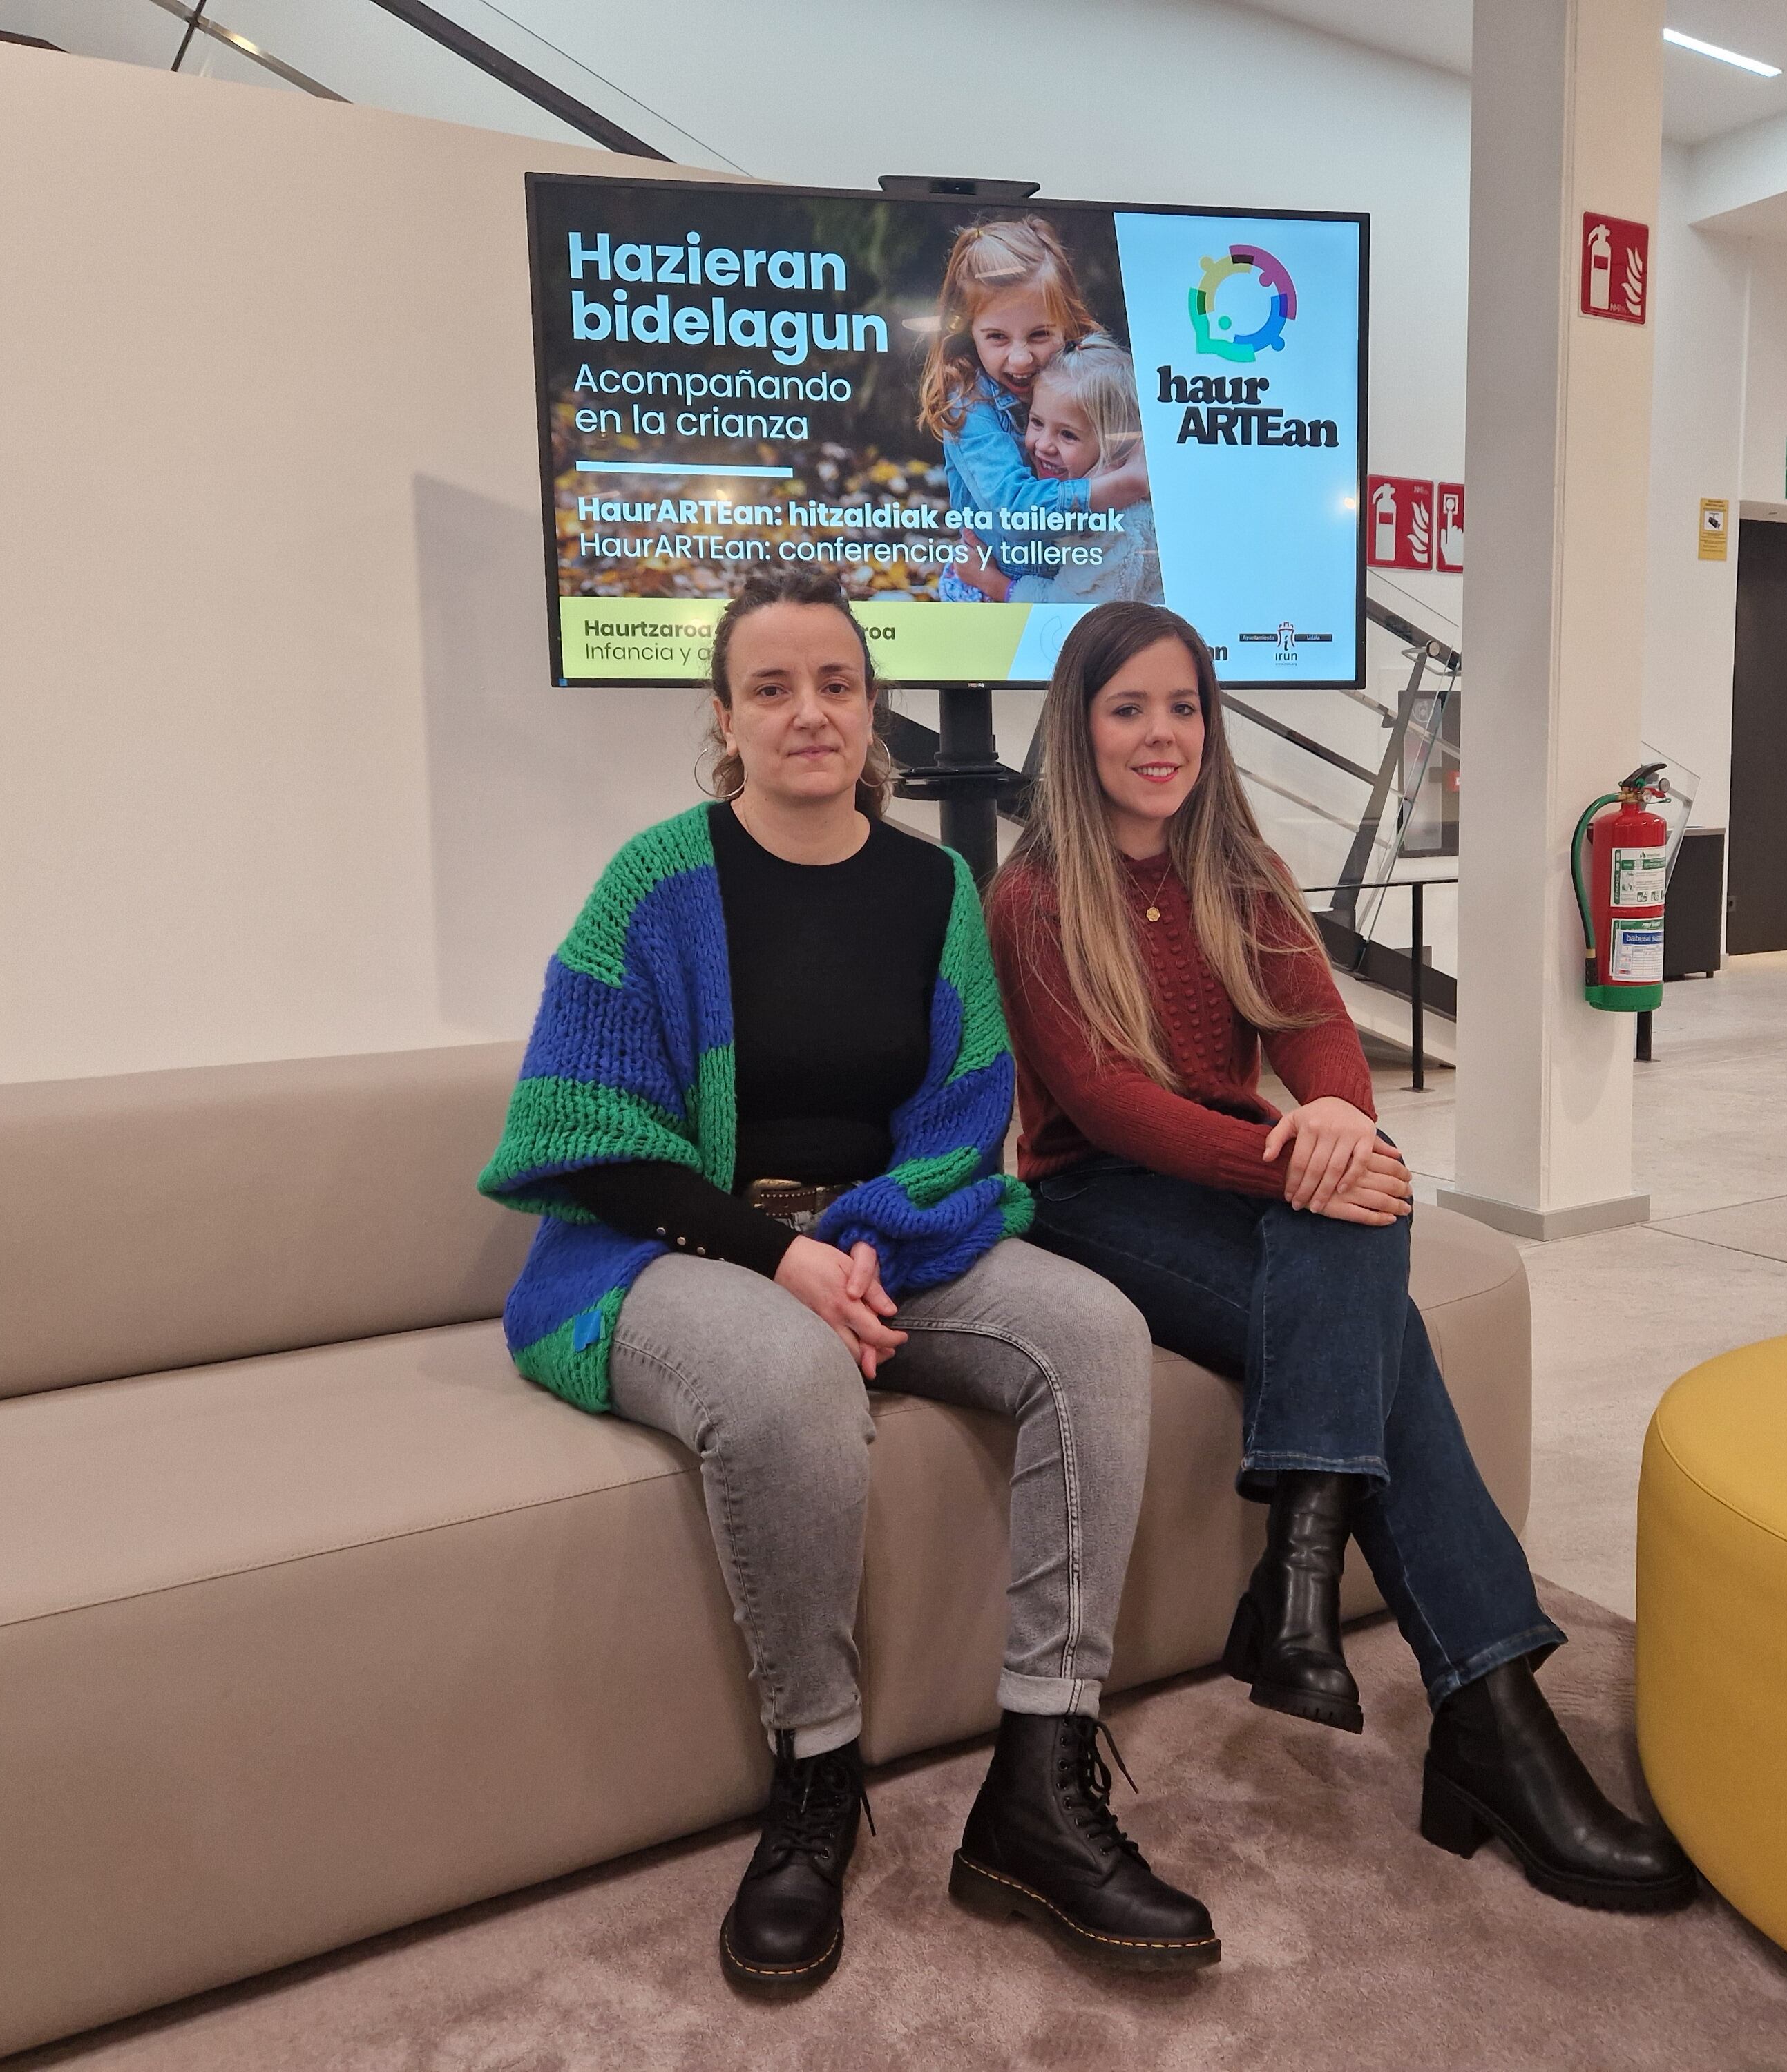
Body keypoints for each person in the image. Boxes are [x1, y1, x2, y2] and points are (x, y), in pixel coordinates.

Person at [477, 569, 1219, 1992]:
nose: (808, 712)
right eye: (772, 687)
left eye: (834, 683)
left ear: (870, 705)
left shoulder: (933, 884)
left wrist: (856, 1248)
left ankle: (1041, 1780)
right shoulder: (653, 883)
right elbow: (590, 1139)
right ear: (725, 716)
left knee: (1093, 1333)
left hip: (882, 1241)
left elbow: (962, 1113)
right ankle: (814, 1779)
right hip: (677, 1250)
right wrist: (782, 1262)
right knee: (782, 1371)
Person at [986, 601, 1697, 1916]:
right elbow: (1109, 1105)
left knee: (1361, 1205)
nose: (1164, 736)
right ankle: (1474, 1710)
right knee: (1372, 1243)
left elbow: (1316, 1029)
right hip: (1096, 1199)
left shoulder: (1240, 869)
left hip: (1235, 1178)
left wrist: (1341, 1123)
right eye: (1129, 708)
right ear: (1079, 728)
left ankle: (1324, 1595)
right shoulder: (1033, 894)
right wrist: (1308, 1157)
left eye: (1185, 707)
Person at [915, 217, 1146, 600]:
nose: (1021, 359)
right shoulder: (969, 405)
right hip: (992, 595)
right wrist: (1123, 485)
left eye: (1040, 334)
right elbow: (1014, 513)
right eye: (997, 338)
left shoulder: (1089, 379)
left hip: (1073, 584)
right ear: (967, 332)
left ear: (1067, 323)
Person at [962, 340, 1163, 606]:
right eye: (1036, 422)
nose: (1043, 445)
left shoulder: (1120, 526)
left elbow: (1073, 615)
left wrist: (993, 584)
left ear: (1114, 445)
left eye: (1068, 435)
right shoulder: (1083, 493)